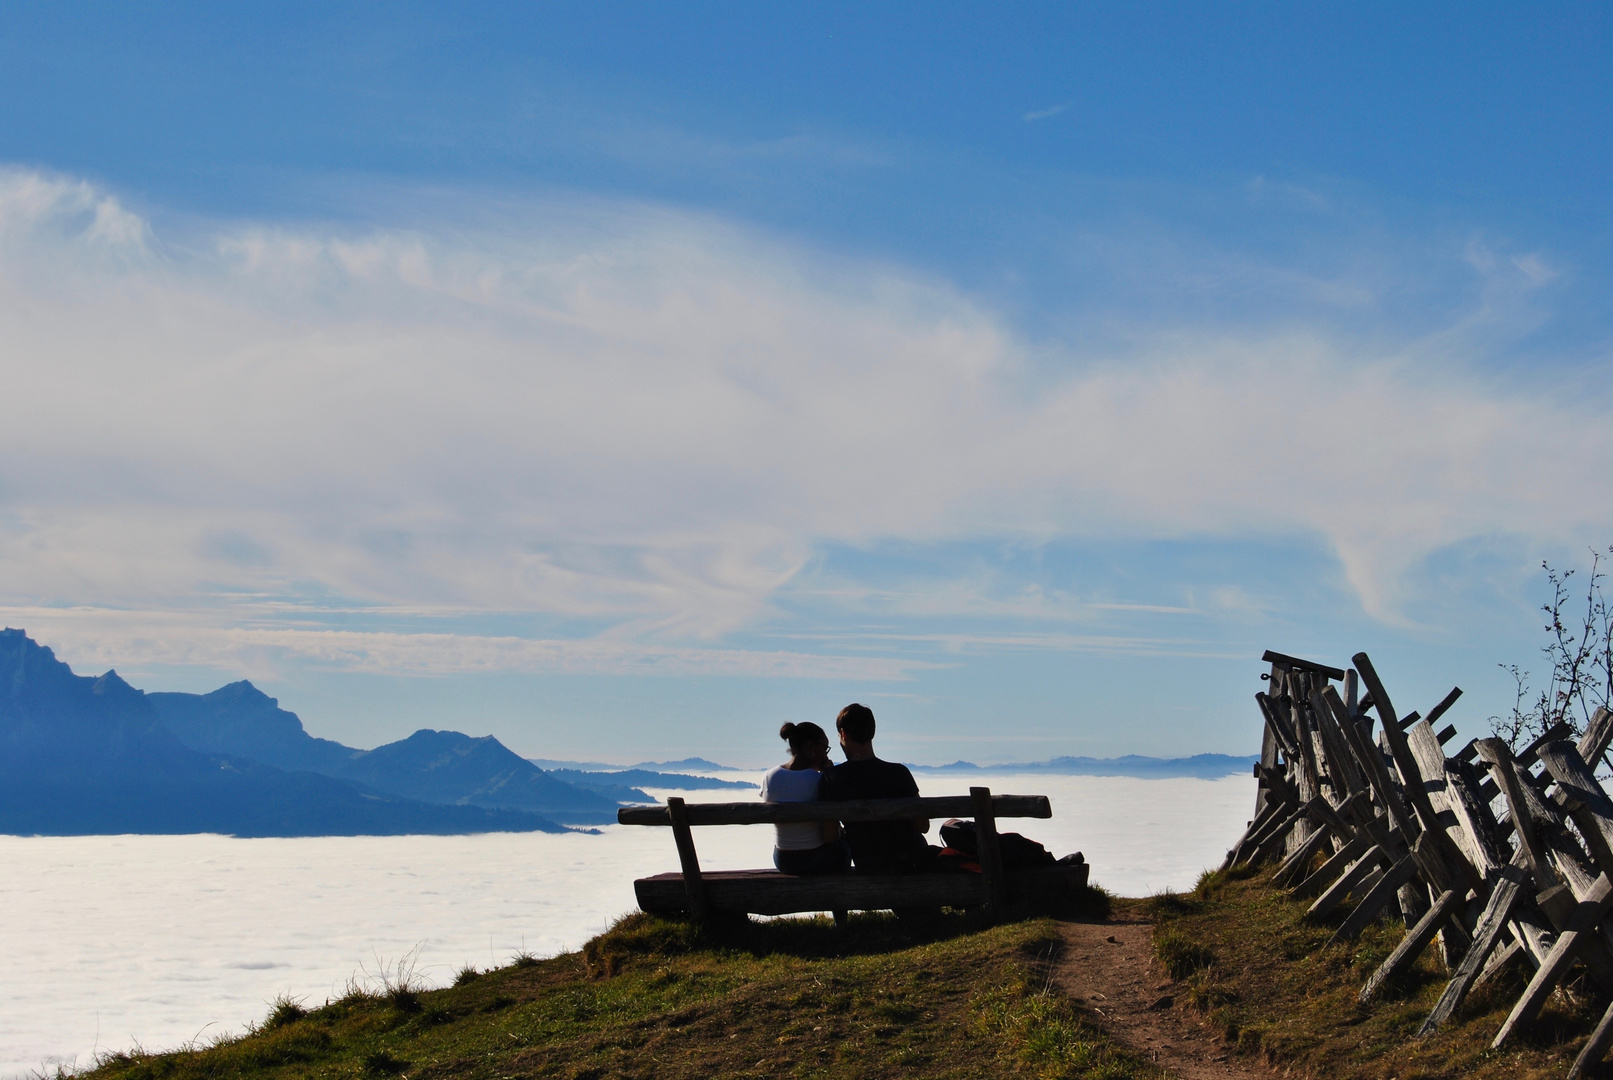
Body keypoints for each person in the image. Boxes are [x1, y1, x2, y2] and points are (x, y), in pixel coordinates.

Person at [824, 703, 934, 872]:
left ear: (843, 734)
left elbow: (829, 836)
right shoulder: (899, 773)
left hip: (868, 863)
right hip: (910, 862)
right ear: (872, 733)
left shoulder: (832, 777)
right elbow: (922, 826)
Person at [760, 721, 850, 875]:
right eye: (825, 748)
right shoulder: (820, 779)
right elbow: (831, 835)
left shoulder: (769, 777)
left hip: (783, 860)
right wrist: (830, 775)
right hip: (817, 859)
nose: (826, 755)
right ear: (810, 746)